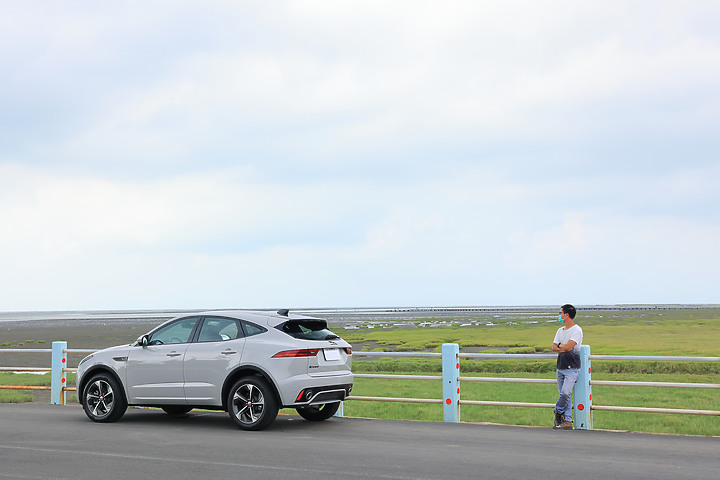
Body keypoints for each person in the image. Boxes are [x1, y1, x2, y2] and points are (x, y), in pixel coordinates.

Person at [551, 304, 583, 430]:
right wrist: (562, 346)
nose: (559, 315)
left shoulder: (577, 330)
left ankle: (558, 412)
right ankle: (567, 421)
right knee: (565, 395)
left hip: (572, 367)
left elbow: (569, 347)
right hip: (560, 366)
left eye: (560, 313)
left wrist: (561, 346)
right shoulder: (560, 331)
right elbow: (553, 347)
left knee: (565, 393)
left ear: (566, 315)